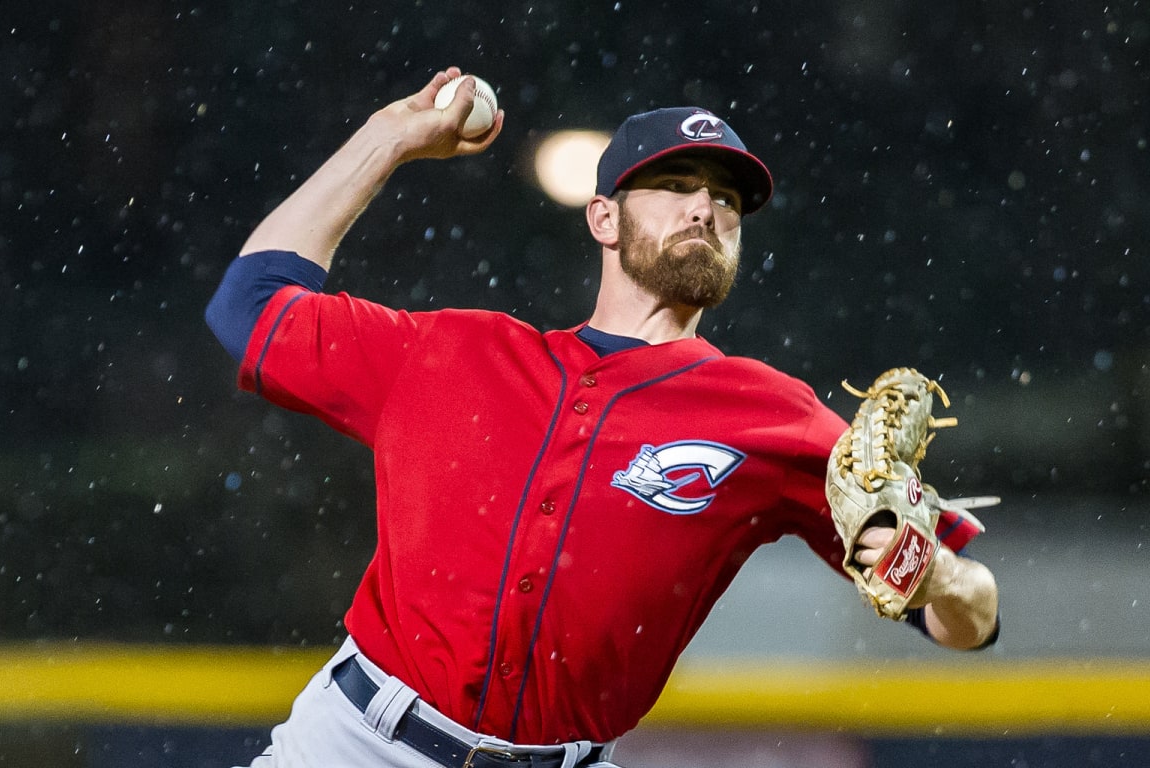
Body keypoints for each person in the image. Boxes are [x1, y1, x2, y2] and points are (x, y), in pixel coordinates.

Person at [205, 67, 999, 768]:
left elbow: (969, 618)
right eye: (676, 184)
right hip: (358, 745)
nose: (706, 208)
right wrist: (386, 139)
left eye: (727, 199)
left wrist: (944, 578)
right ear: (603, 220)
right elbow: (248, 305)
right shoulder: (453, 353)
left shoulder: (771, 416)